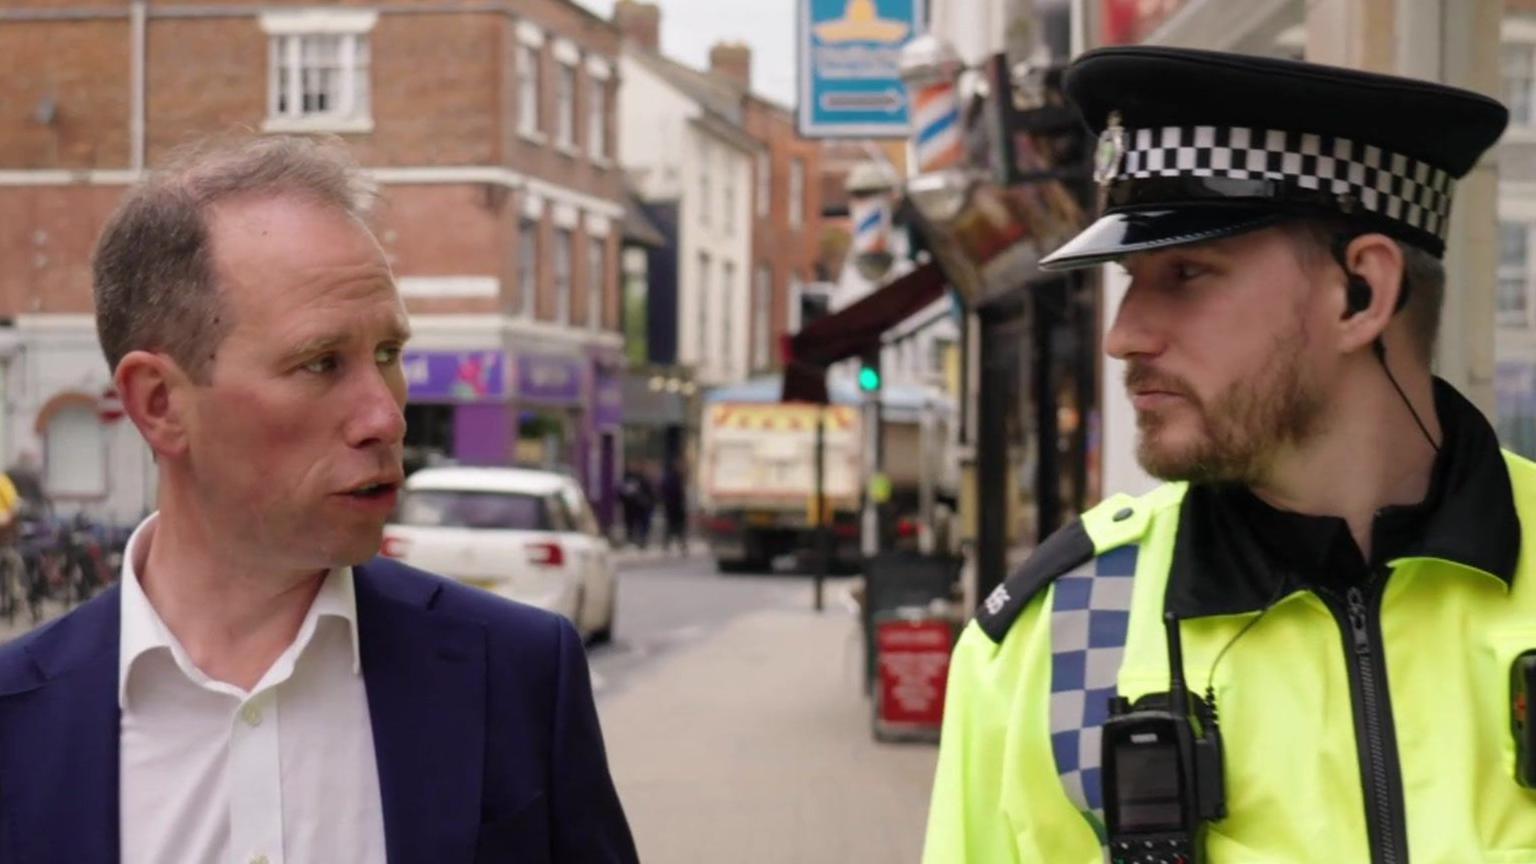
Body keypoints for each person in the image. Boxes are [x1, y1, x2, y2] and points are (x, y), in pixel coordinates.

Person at [923, 47, 1524, 863]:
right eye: (1131, 280)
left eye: (1187, 273)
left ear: (1361, 294)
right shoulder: (1049, 644)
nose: (1123, 335)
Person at [0, 136, 639, 863]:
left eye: (389, 355)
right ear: (160, 404)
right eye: (321, 363)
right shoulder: (18, 722)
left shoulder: (518, 677)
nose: (387, 416)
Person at [660, 460, 688, 555]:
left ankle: (675, 545)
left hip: (675, 507)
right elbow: (669, 492)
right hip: (673, 507)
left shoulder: (677, 477)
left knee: (676, 528)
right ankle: (676, 545)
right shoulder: (672, 478)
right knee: (674, 527)